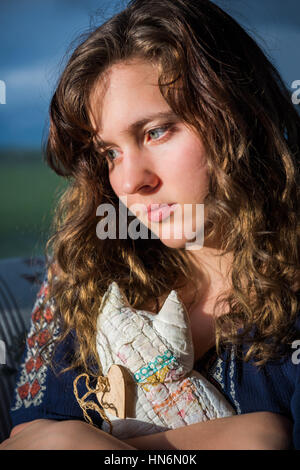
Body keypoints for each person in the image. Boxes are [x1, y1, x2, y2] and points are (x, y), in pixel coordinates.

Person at [1, 0, 299, 450]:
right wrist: (243, 435)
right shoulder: (86, 275)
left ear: (237, 116)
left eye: (156, 131)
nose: (128, 181)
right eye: (110, 153)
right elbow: (28, 436)